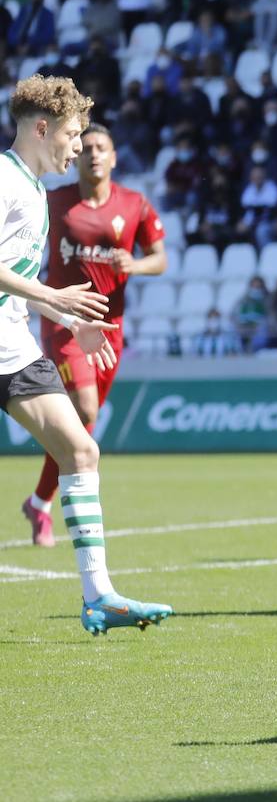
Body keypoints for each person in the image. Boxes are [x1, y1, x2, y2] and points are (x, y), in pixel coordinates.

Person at [1, 75, 172, 633]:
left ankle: (99, 595)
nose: (79, 147)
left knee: (81, 451)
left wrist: (67, 317)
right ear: (42, 128)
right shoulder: (4, 179)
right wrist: (53, 297)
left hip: (13, 346)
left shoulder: (34, 191)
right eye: (74, 134)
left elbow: (18, 280)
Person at [21, 123, 168, 547]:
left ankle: (39, 502)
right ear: (77, 156)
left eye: (102, 148)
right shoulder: (54, 201)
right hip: (65, 322)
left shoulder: (134, 204)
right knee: (83, 409)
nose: (94, 155)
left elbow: (159, 258)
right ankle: (47, 506)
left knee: (82, 423)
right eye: (85, 148)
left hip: (111, 327)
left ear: (115, 157)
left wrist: (133, 266)